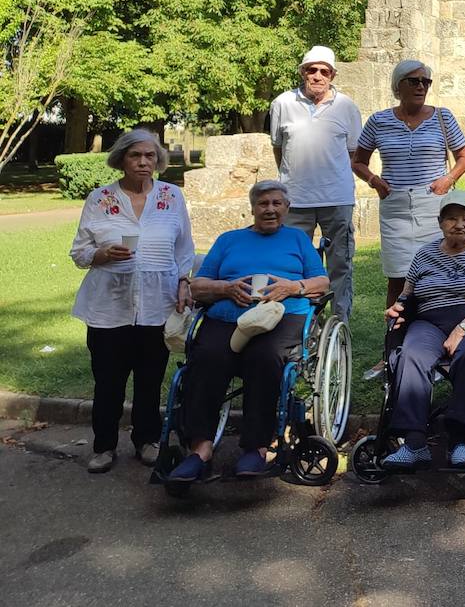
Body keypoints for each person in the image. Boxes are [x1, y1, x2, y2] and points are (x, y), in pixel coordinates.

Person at [165, 180, 329, 483]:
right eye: (263, 204)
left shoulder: (297, 239)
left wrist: (291, 287)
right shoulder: (229, 240)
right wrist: (226, 288)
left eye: (277, 203)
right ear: (252, 208)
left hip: (280, 315)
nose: (270, 209)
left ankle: (256, 447)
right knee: (206, 357)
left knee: (264, 357)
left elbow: (322, 282)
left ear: (287, 208)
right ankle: (200, 449)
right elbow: (198, 285)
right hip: (227, 316)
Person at [69, 129, 195, 473]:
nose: (143, 162)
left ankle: (147, 441)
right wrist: (101, 253)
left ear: (158, 160)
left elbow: (184, 249)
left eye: (149, 156)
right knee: (108, 380)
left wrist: (185, 281)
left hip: (158, 302)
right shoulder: (100, 198)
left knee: (150, 377)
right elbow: (78, 253)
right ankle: (104, 446)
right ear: (121, 160)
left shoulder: (172, 196)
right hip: (109, 305)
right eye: (135, 155)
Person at [379, 189, 465, 470]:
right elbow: (407, 294)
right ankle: (414, 444)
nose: (459, 225)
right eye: (451, 219)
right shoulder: (425, 254)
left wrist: (462, 329)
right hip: (430, 320)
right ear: (440, 222)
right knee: (411, 353)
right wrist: (397, 308)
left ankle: (460, 441)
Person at [352, 59, 465, 311]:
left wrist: (447, 180)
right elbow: (358, 162)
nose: (421, 86)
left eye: (425, 81)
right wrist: (374, 181)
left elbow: (464, 158)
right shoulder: (378, 121)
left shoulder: (443, 116)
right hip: (395, 207)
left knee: (438, 268)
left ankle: (435, 327)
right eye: (414, 81)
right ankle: (395, 339)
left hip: (434, 205)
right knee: (397, 277)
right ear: (398, 86)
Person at [269, 45, 363, 321]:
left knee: (340, 266)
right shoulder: (282, 103)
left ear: (333, 75)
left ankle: (340, 323)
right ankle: (298, 319)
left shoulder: (347, 106)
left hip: (337, 200)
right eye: (312, 70)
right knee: (293, 264)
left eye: (324, 71)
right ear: (302, 73)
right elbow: (279, 148)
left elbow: (353, 153)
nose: (318, 76)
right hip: (295, 200)